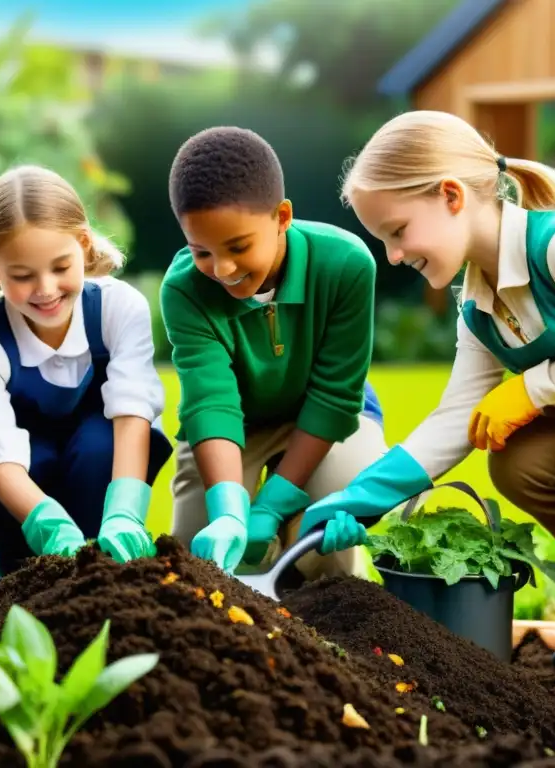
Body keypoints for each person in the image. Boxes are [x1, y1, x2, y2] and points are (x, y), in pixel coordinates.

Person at [303, 108, 555, 693]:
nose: (393, 255)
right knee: (519, 459)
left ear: (450, 196)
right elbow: (454, 419)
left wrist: (536, 386)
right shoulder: (481, 303)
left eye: (397, 232)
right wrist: (359, 498)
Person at [159, 125, 388, 578]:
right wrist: (229, 510)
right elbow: (212, 402)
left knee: (325, 520)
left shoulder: (345, 264)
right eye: (200, 251)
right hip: (234, 425)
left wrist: (273, 502)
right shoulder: (184, 290)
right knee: (199, 562)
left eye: (238, 246)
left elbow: (334, 396)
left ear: (282, 217)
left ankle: (333, 610)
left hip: (327, 419)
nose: (222, 269)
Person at [0, 165, 171, 578]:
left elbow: (133, 414)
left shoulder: (119, 309)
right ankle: (22, 568)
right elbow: (0, 456)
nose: (45, 289)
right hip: (21, 476)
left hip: (99, 458)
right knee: (22, 461)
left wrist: (125, 512)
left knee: (99, 444)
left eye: (60, 268)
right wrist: (48, 523)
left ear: (82, 245)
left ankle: (110, 561)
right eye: (23, 276)